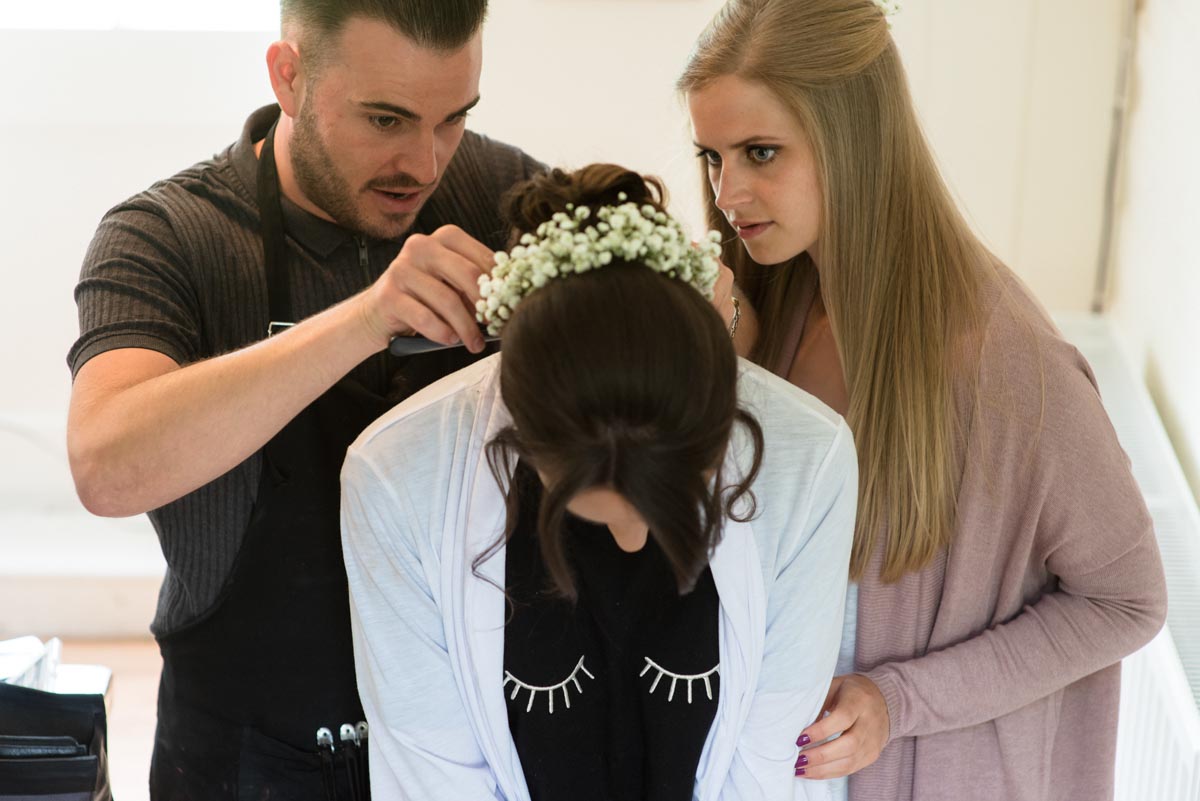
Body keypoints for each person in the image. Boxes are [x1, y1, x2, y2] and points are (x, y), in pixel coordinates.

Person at [678, 1, 1169, 800]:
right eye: (711, 156)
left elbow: (1129, 599)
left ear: (855, 139)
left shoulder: (1008, 364)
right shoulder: (780, 297)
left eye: (760, 152)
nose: (728, 191)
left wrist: (897, 699)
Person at [65, 2, 547, 798]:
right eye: (386, 119)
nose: (423, 164)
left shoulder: (503, 194)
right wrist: (364, 319)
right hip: (244, 757)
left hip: (465, 751)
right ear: (288, 78)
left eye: (452, 119)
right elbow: (105, 464)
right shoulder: (166, 235)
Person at [339, 164, 858, 801]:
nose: (633, 536)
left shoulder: (807, 455)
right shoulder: (395, 476)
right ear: (522, 431)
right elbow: (434, 774)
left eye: (667, 498)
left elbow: (768, 766)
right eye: (593, 508)